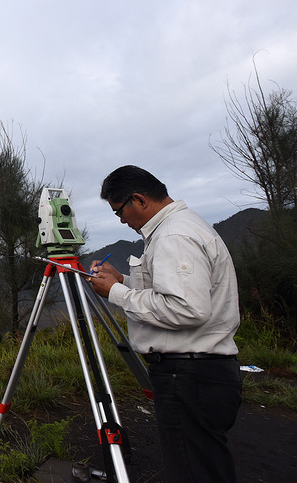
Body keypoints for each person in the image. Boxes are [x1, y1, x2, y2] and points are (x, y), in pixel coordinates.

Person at [87, 165, 242, 483]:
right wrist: (123, 280)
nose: (121, 221)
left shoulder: (174, 235)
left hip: (190, 374)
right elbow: (172, 293)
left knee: (192, 471)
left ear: (139, 200)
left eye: (119, 211)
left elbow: (186, 308)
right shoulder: (179, 228)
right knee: (204, 465)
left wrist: (116, 293)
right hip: (198, 372)